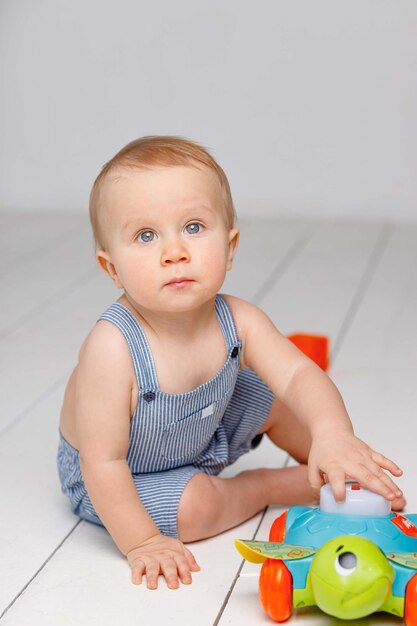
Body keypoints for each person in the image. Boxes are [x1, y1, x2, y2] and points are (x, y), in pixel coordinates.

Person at [58, 135, 404, 591]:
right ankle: (266, 487)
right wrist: (142, 541)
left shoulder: (238, 319)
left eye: (195, 227)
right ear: (111, 268)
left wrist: (332, 432)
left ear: (231, 244)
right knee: (196, 508)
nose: (174, 251)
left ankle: (332, 468)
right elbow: (103, 462)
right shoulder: (113, 346)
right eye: (146, 235)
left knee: (277, 393)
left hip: (202, 428)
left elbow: (300, 374)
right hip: (123, 475)